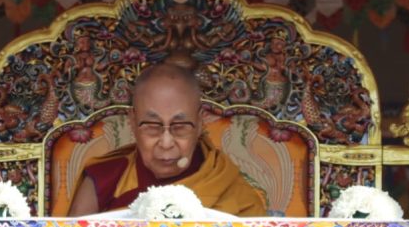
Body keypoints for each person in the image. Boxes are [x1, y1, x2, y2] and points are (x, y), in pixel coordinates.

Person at [66, 63, 267, 216]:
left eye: (180, 127)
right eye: (152, 127)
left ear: (199, 122)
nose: (166, 142)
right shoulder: (105, 179)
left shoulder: (228, 186)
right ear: (133, 122)